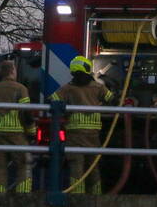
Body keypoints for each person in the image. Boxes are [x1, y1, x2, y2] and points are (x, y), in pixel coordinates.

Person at [49, 55, 116, 194]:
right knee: (93, 169)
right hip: (93, 135)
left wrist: (65, 110)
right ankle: (96, 198)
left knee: (76, 168)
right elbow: (112, 100)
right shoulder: (97, 87)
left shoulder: (67, 88)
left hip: (74, 135)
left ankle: (77, 198)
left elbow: (51, 102)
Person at [0, 60, 36, 192]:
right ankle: (23, 197)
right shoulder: (20, 88)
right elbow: (27, 114)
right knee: (24, 165)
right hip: (16, 133)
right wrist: (31, 132)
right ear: (13, 71)